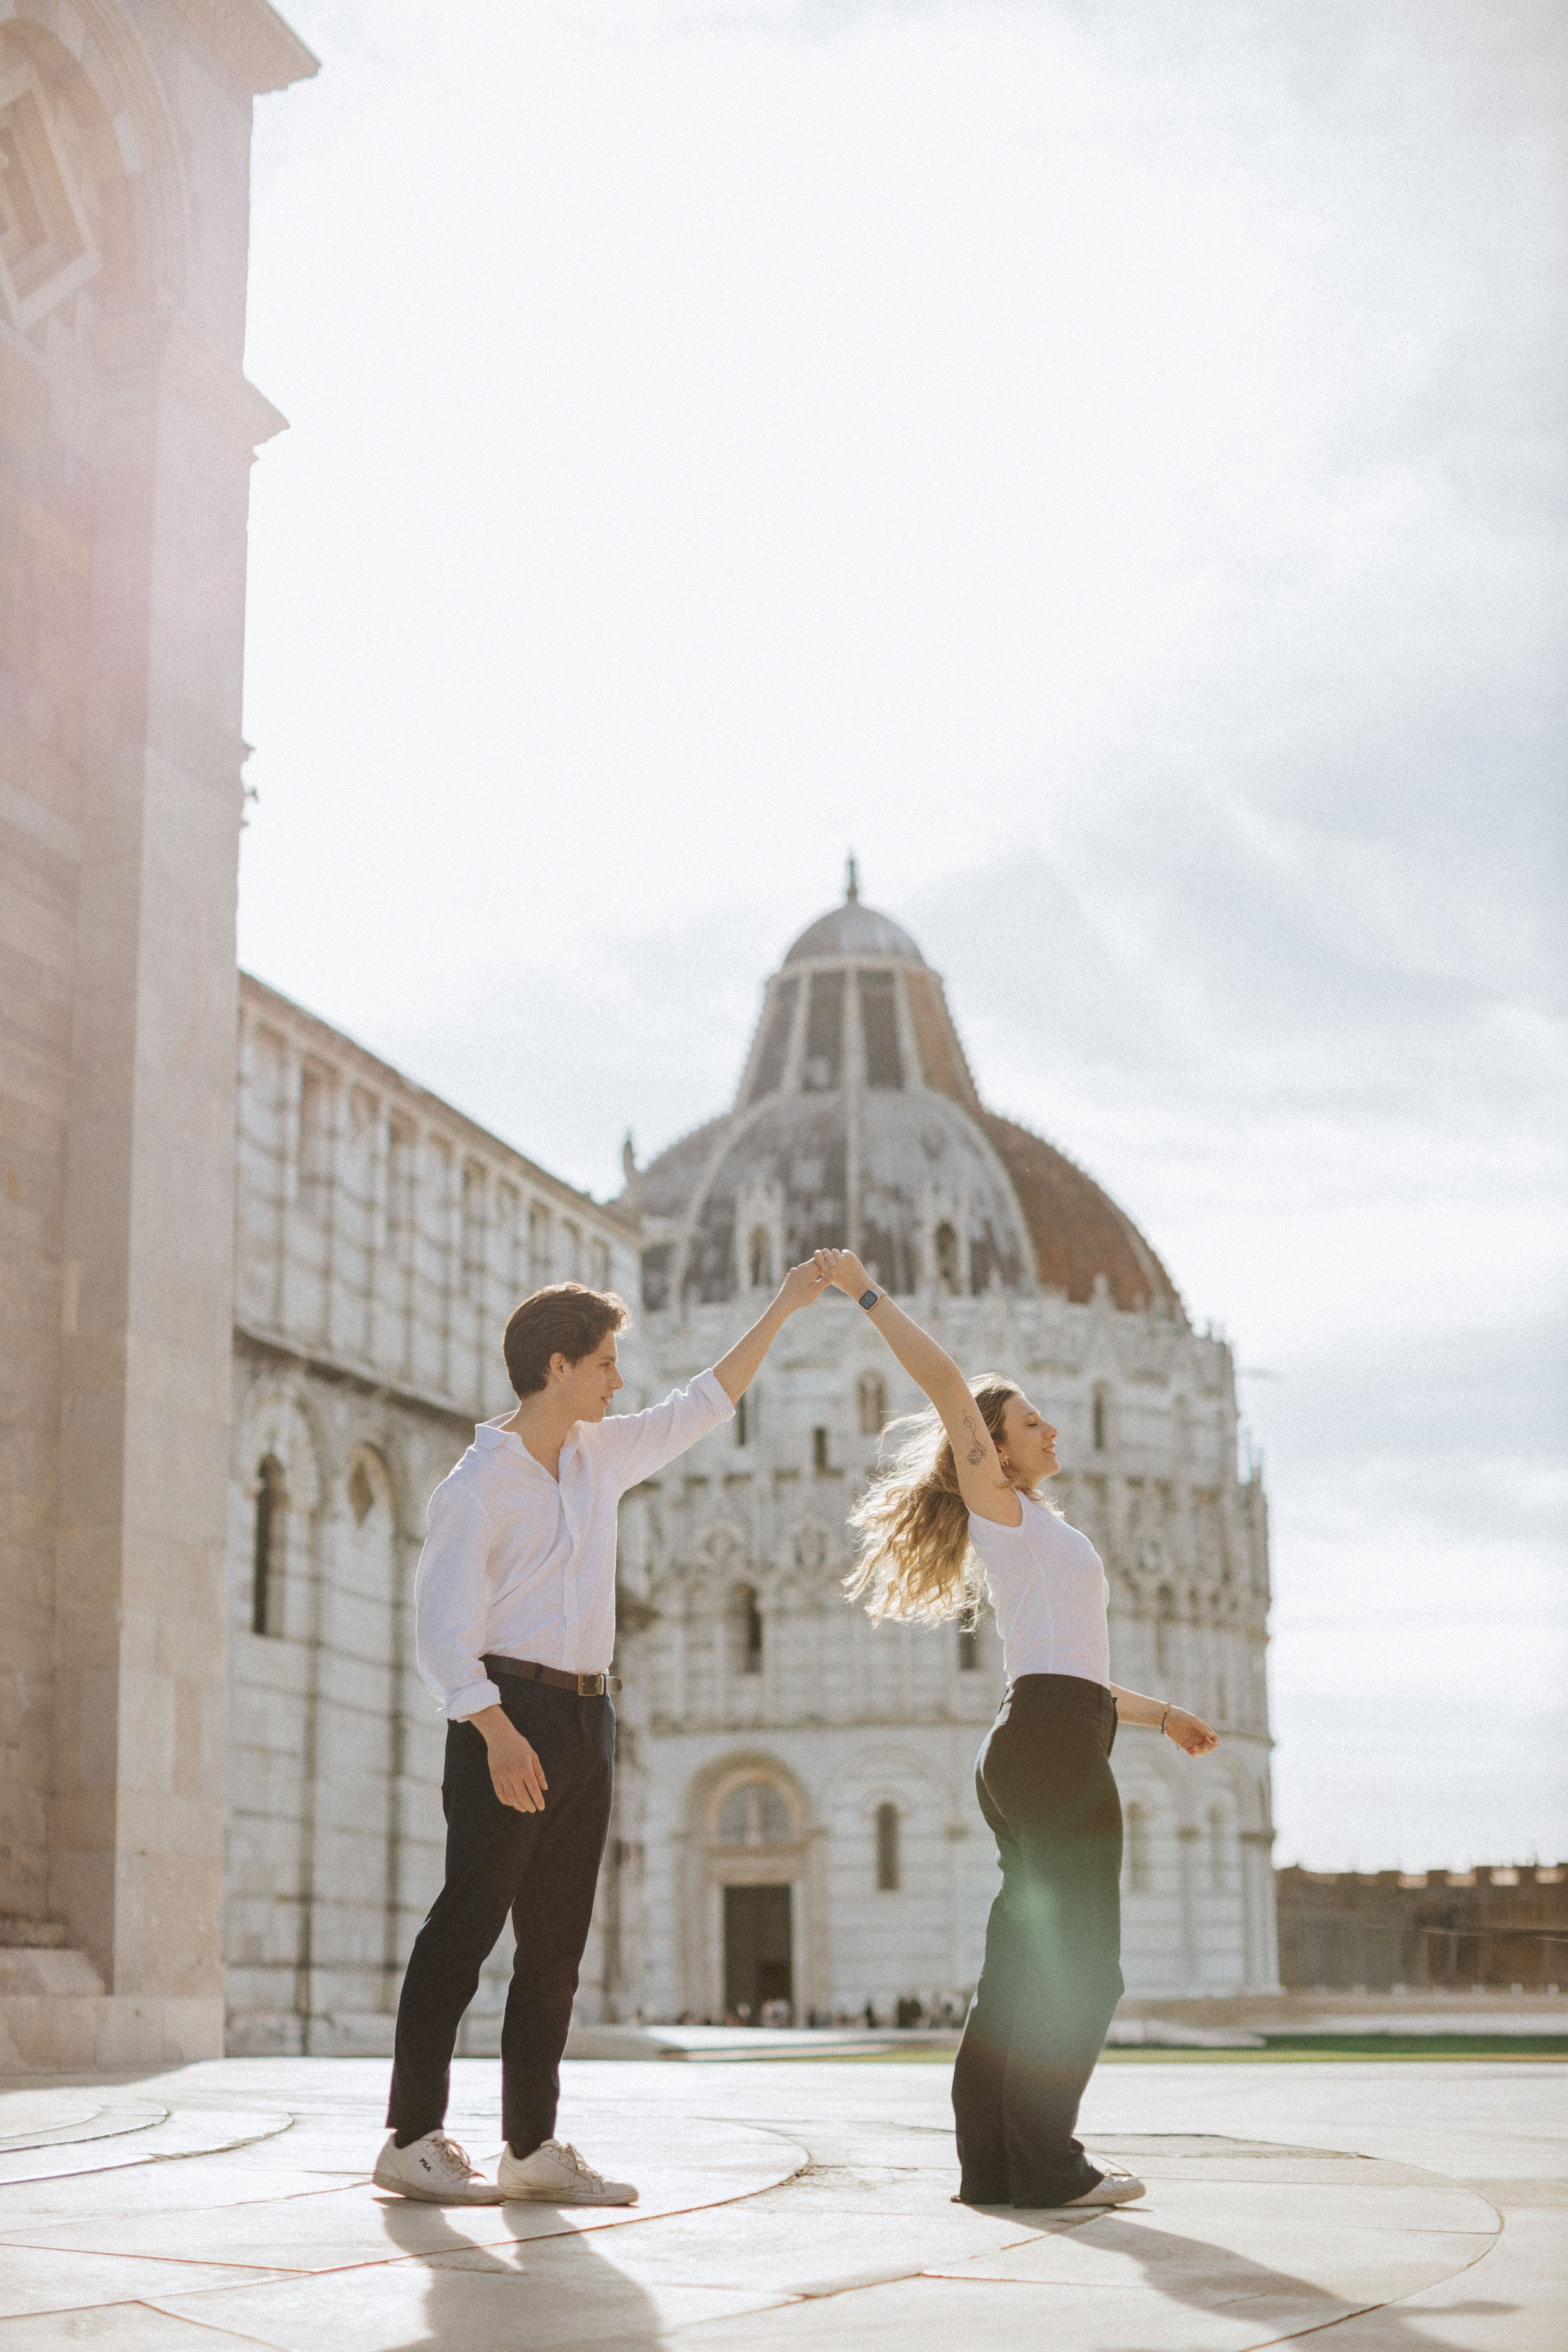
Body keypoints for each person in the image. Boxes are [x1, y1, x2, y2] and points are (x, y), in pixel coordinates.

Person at [375, 1259, 830, 2206]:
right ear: (557, 1367)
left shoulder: (600, 1455)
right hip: (507, 1716)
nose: (618, 1382)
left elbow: (704, 1401)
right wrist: (496, 1732)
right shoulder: (476, 1487)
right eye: (605, 1365)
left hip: (589, 1713)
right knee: (466, 1925)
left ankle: (531, 2147)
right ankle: (411, 2136)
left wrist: (783, 1307)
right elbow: (441, 1632)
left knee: (555, 1945)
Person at [814, 1245, 1219, 2212]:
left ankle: (993, 2169)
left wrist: (1160, 1716)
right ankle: (1048, 2164)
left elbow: (1064, 1668)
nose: (1048, 1427)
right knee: (1086, 1965)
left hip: (1044, 1731)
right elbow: (949, 1384)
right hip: (1049, 1747)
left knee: (1016, 1971)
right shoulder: (1003, 1510)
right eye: (1028, 1420)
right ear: (990, 1448)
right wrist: (867, 1291)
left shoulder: (1039, 1532)